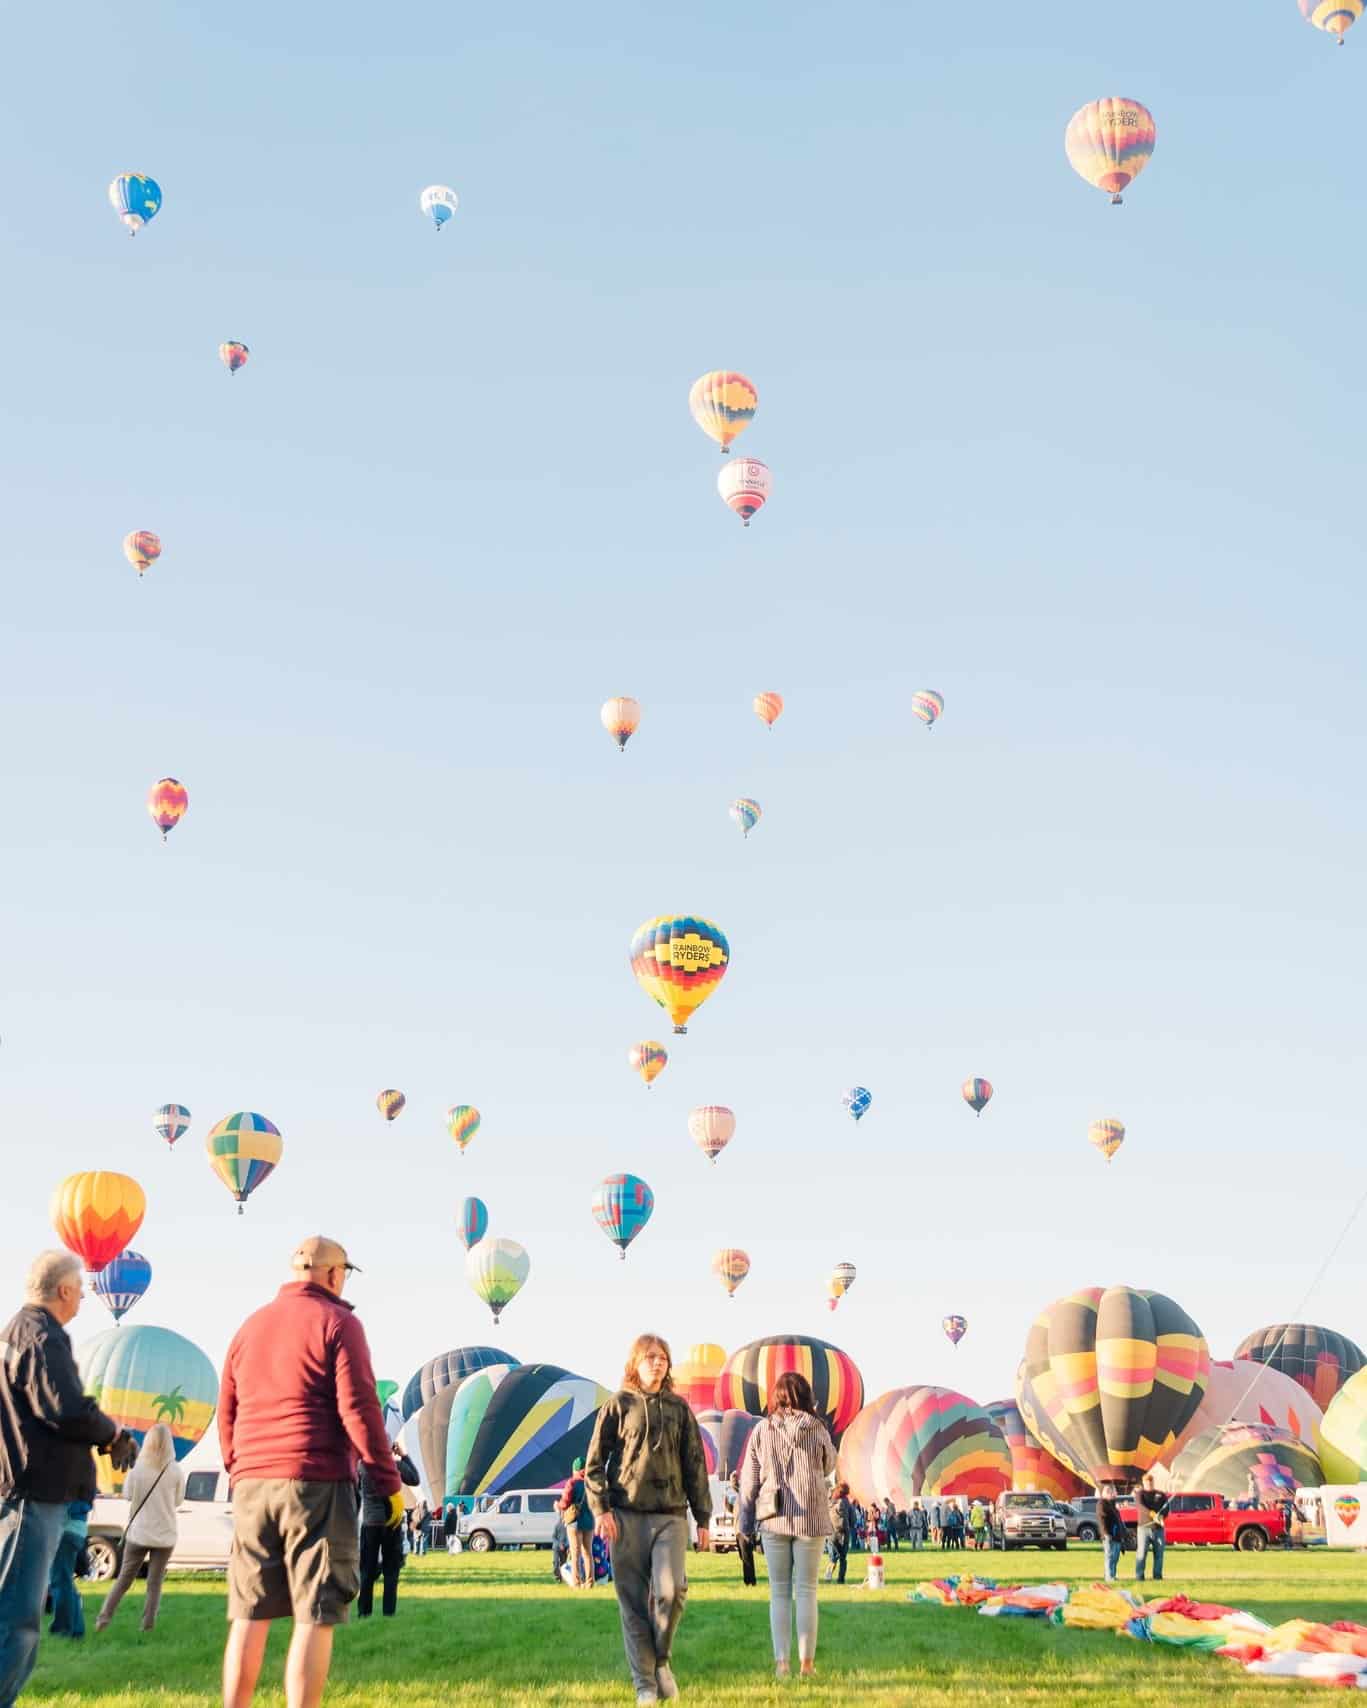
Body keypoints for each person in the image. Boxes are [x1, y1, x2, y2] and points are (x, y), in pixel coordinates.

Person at [218, 1235, 400, 1708]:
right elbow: (359, 1409)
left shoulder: (249, 1326)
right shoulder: (340, 1322)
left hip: (253, 1483)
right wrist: (386, 1481)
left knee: (249, 1613)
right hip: (316, 1481)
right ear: (335, 1275)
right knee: (314, 1613)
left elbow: (227, 1410)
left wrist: (238, 1469)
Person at [0, 1250, 136, 1707]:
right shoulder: (43, 1336)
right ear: (62, 1290)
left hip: (23, 1488)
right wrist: (113, 1430)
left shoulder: (16, 1332)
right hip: (34, 1493)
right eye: (79, 1290)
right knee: (17, 1617)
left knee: (16, 1610)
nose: (82, 1300)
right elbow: (64, 1408)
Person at [584, 1333, 710, 1707]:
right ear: (635, 1363)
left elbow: (696, 1464)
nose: (658, 1362)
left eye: (663, 1357)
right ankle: (645, 1685)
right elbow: (594, 1462)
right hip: (626, 1515)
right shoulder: (618, 1405)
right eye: (650, 1357)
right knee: (633, 1603)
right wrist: (600, 1508)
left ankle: (662, 1659)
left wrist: (703, 1517)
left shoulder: (679, 1408)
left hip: (671, 1514)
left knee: (670, 1594)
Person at [737, 1371, 837, 1683]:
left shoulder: (761, 1429)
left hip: (773, 1517)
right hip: (810, 1516)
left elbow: (749, 1480)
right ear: (807, 1397)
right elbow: (830, 1464)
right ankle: (807, 1665)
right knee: (807, 1591)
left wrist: (744, 1523)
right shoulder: (817, 1428)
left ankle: (782, 1664)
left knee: (779, 1593)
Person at [94, 1423, 185, 1633]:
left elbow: (127, 1496)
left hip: (139, 1533)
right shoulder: (175, 1470)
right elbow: (178, 1501)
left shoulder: (138, 1469)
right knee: (155, 1584)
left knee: (124, 1580)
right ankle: (147, 1626)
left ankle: (103, 1620)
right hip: (165, 1535)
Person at [358, 1441, 420, 1618]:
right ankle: (388, 1612)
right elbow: (415, 1479)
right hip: (392, 1523)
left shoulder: (362, 1466)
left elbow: (355, 1489)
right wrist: (404, 1455)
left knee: (367, 1571)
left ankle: (364, 1611)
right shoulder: (395, 1466)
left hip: (370, 1523)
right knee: (391, 1570)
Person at [47, 1499, 91, 1638]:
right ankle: (76, 1629)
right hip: (77, 1530)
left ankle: (63, 1628)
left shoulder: (71, 1481)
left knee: (60, 1583)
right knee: (65, 1582)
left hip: (66, 1530)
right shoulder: (86, 1482)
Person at [559, 1457, 596, 1589]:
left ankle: (577, 1582)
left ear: (575, 1469)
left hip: (574, 1522)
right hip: (590, 1521)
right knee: (588, 1553)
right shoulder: (592, 1483)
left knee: (575, 1554)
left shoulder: (572, 1483)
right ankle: (590, 1582)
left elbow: (565, 1502)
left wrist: (557, 1505)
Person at [825, 1482, 852, 1584]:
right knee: (843, 1558)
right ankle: (840, 1579)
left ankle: (828, 1577)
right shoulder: (846, 1502)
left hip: (831, 1533)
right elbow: (851, 1518)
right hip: (843, 1534)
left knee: (833, 1558)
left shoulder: (831, 1502)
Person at [1098, 1484, 1125, 1582]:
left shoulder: (1113, 1506)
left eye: (1113, 1491)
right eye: (1109, 1491)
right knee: (1109, 1557)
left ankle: (1112, 1575)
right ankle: (1109, 1577)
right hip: (1109, 1535)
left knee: (1115, 1558)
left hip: (1116, 1536)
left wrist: (1123, 1533)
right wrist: (1106, 1534)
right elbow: (1102, 1519)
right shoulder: (1102, 1504)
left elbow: (1118, 1520)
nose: (1114, 1494)